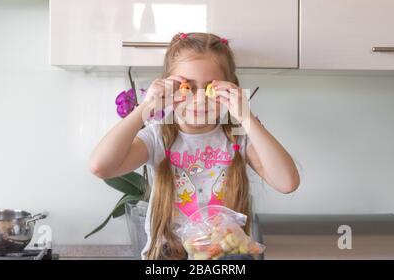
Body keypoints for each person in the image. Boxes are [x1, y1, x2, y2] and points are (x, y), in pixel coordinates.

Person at [89, 32, 300, 260]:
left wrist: (245, 117)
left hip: (223, 253)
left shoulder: (237, 136)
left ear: (231, 88)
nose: (199, 101)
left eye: (211, 89)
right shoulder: (159, 136)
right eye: (186, 87)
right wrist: (145, 108)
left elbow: (287, 182)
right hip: (169, 254)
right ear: (166, 87)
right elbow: (101, 167)